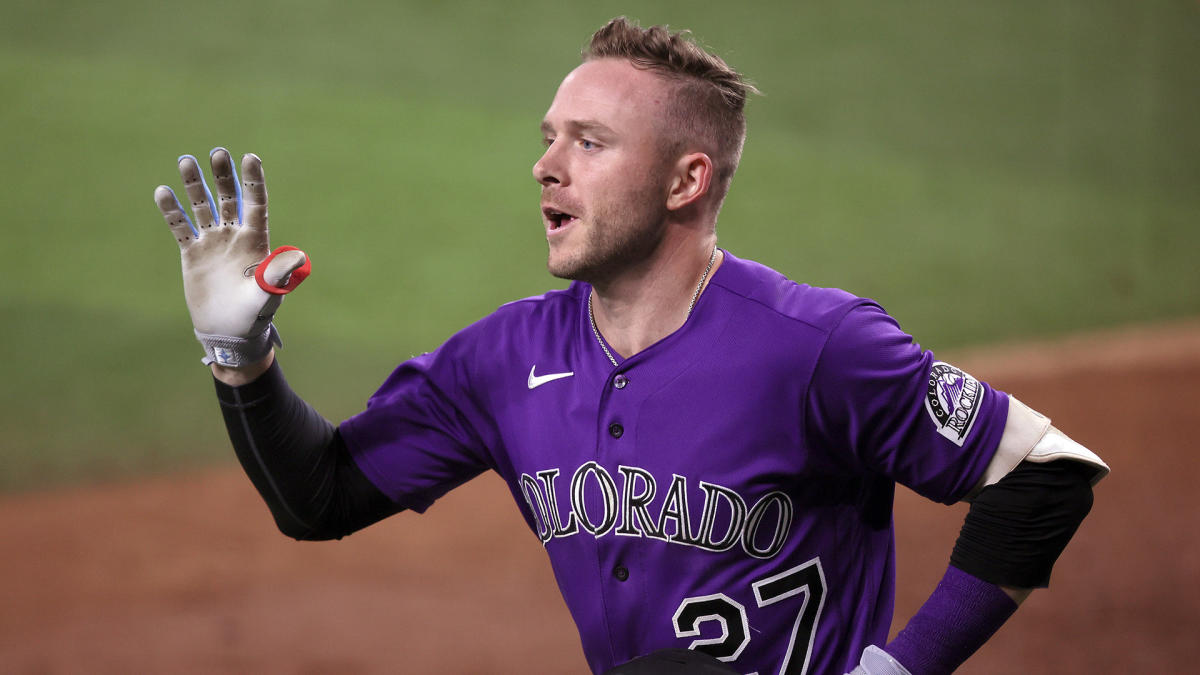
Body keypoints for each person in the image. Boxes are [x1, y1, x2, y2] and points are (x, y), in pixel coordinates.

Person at [152, 17, 1108, 675]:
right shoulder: (501, 360)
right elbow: (320, 497)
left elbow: (1046, 475)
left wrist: (903, 665)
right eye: (549, 138)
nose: (545, 164)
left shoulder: (815, 346)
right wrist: (238, 359)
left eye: (590, 142)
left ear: (686, 180)